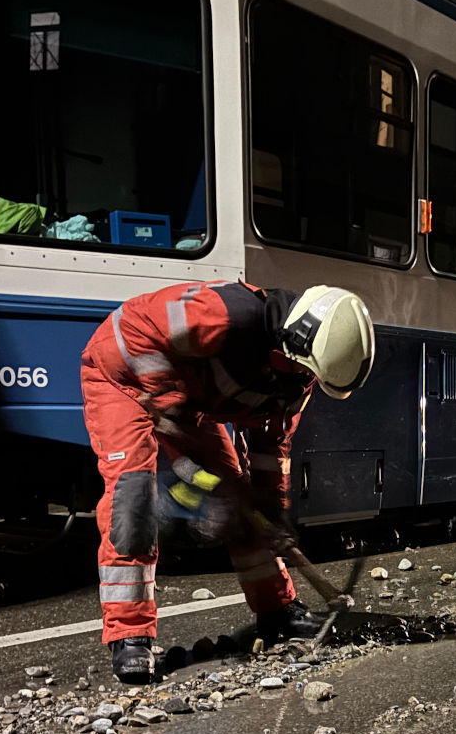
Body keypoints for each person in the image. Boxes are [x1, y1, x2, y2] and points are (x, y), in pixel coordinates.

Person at [80, 280, 375, 683]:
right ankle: (130, 636)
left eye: (311, 374)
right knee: (132, 497)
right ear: (293, 341)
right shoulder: (223, 314)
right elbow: (135, 338)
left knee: (248, 509)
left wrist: (273, 508)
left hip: (188, 402)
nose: (305, 377)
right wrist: (173, 410)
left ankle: (277, 611)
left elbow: (273, 447)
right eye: (304, 368)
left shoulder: (299, 376)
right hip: (121, 377)